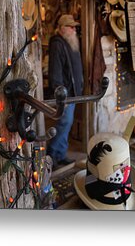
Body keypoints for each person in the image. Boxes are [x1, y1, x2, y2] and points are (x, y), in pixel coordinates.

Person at [47, 14, 84, 168]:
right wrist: (61, 94)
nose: (74, 29)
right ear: (62, 28)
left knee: (67, 124)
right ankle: (51, 156)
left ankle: (60, 154)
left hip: (73, 92)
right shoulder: (57, 44)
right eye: (71, 26)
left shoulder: (70, 42)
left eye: (75, 26)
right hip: (65, 94)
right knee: (64, 123)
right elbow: (55, 71)